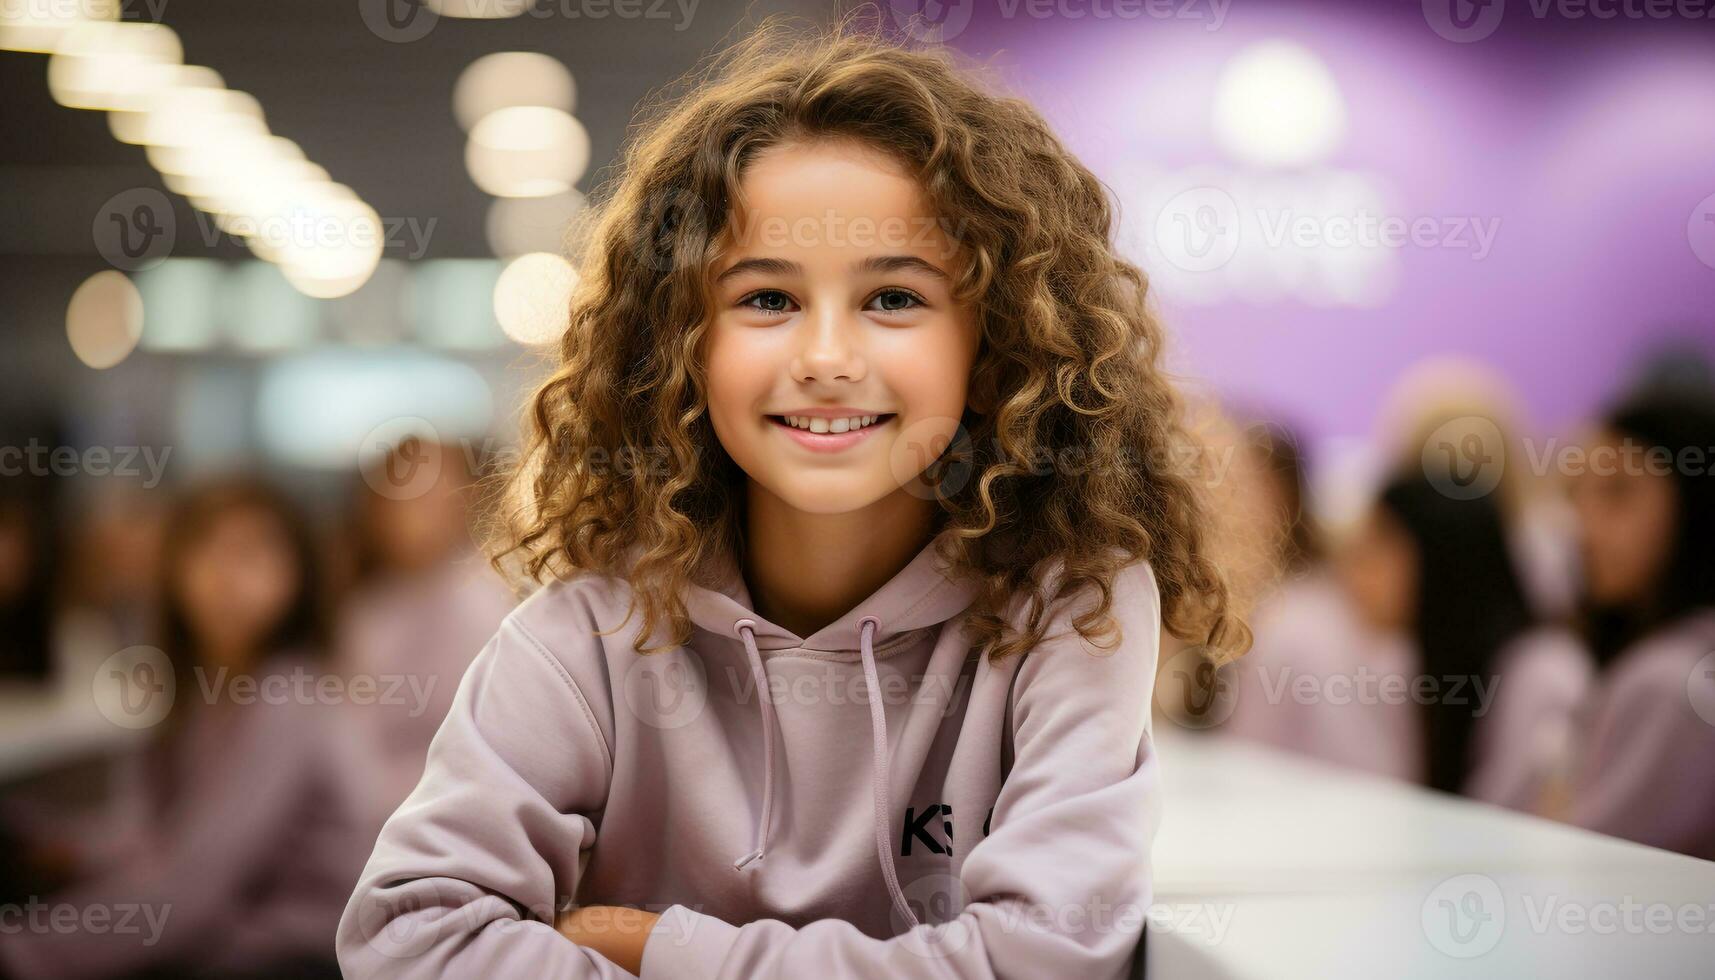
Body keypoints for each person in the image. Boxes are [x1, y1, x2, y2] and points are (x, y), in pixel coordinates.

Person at [336, 16, 1247, 980]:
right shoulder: (590, 631)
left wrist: (658, 946)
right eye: (766, 299)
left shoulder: (1070, 610)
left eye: (893, 298)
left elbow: (1049, 959)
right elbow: (408, 937)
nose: (824, 360)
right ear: (678, 344)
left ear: (997, 341)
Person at [0, 479, 372, 980]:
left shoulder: (290, 696)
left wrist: (23, 952)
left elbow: (192, 887)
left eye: (254, 552)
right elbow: (158, 837)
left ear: (297, 576)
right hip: (223, 927)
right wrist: (65, 849)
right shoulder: (199, 687)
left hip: (297, 952)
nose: (228, 575)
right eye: (208, 548)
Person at [1334, 470, 1587, 798]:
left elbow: (1508, 822)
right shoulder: (1404, 661)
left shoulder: (1543, 674)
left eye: (1377, 546)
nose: (1354, 570)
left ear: (1440, 555)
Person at [1555, 385, 1715, 858]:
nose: (1585, 527)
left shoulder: (1669, 685)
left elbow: (1584, 868)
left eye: (1617, 493)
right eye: (1578, 495)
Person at [335, 438, 516, 827]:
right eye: (406, 495)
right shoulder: (363, 612)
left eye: (435, 493)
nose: (421, 512)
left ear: (464, 502)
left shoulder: (494, 604)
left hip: (462, 820)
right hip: (371, 821)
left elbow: (492, 750)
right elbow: (349, 747)